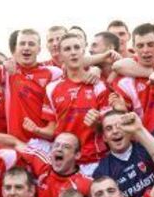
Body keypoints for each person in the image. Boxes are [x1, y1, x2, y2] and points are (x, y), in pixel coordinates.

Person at [0, 11, 63, 153]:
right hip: (16, 146)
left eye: (31, 44)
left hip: (45, 145)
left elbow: (76, 69)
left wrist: (95, 69)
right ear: (16, 49)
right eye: (22, 44)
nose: (26, 47)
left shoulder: (53, 73)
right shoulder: (8, 72)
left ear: (39, 49)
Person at [45, 33, 112, 174]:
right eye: (67, 49)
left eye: (77, 47)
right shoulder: (51, 88)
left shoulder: (99, 85)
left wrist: (96, 124)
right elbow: (52, 128)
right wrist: (35, 131)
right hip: (66, 164)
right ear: (60, 56)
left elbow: (109, 127)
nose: (73, 52)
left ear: (83, 51)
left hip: (95, 161)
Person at [0, 132, 92, 197]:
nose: (59, 149)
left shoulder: (84, 183)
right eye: (56, 145)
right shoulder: (43, 164)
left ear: (77, 155)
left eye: (66, 147)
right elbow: (15, 143)